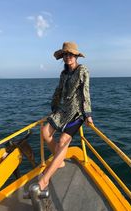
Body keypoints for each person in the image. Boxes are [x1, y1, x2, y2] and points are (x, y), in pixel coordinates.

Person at [38, 41, 93, 191]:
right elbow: (58, 91)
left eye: (70, 54)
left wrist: (88, 114)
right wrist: (54, 107)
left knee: (63, 141)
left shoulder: (82, 70)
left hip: (77, 113)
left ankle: (45, 180)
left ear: (76, 56)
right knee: (45, 132)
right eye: (65, 54)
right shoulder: (63, 74)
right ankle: (60, 160)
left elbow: (85, 92)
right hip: (62, 110)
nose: (67, 56)